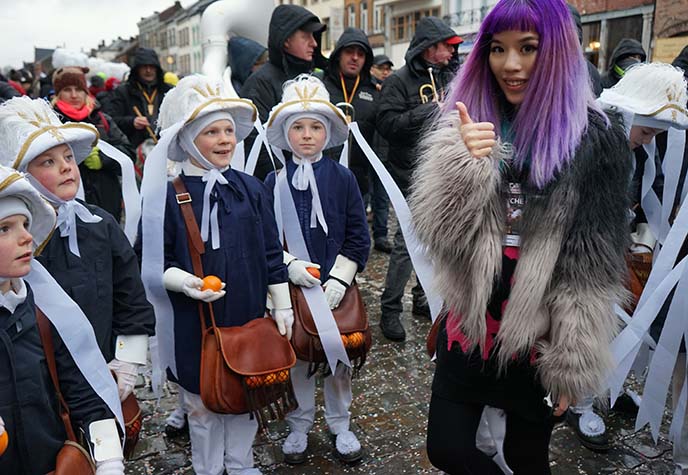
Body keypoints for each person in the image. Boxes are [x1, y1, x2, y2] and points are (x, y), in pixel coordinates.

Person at [410, 0, 632, 473]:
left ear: (556, 51)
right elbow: (438, 236)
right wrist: (466, 165)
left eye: (528, 48)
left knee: (525, 454)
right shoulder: (466, 121)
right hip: (469, 316)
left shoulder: (596, 139)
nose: (510, 65)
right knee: (447, 447)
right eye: (498, 49)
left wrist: (572, 358)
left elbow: (590, 263)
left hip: (539, 325)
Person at [140, 74, 294, 475]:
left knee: (247, 389)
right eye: (212, 132)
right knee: (200, 399)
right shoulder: (167, 196)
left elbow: (270, 249)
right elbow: (154, 258)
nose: (226, 139)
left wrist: (281, 302)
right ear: (189, 138)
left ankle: (240, 463)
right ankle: (208, 467)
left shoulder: (250, 187)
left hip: (246, 310)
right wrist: (186, 283)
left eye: (229, 130)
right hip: (196, 319)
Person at [0, 95, 155, 405]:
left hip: (103, 365)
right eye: (48, 162)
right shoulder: (17, 240)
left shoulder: (100, 222)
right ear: (23, 173)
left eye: (69, 157)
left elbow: (129, 292)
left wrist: (129, 356)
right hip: (42, 386)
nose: (66, 168)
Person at [264, 74, 370, 465]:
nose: (307, 135)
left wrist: (340, 279)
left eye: (315, 127)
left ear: (327, 133)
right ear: (285, 133)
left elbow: (359, 236)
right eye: (298, 127)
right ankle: (298, 423)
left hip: (333, 289)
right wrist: (288, 266)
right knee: (299, 359)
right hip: (291, 291)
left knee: (337, 358)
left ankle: (341, 423)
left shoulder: (343, 178)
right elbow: (266, 237)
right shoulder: (272, 182)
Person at [0, 165, 124, 475]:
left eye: (26, 224)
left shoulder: (43, 312)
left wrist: (109, 460)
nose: (27, 237)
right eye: (5, 228)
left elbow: (82, 389)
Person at [377, 16, 462, 341]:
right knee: (405, 245)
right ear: (429, 48)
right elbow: (387, 124)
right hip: (408, 173)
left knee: (437, 242)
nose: (451, 53)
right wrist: (429, 110)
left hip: (440, 172)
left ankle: (422, 298)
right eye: (446, 46)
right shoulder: (399, 81)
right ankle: (390, 308)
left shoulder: (453, 76)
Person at [240, 4, 328, 180]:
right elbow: (256, 141)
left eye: (314, 36)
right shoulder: (260, 82)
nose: (314, 43)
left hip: (315, 179)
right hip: (279, 189)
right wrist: (283, 181)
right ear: (286, 40)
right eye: (306, 36)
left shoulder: (312, 78)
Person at [52, 66, 134, 222]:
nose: (74, 95)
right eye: (67, 89)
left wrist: (104, 159)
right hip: (63, 209)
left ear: (86, 92)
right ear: (58, 94)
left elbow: (129, 154)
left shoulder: (102, 120)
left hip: (106, 207)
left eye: (79, 89)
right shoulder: (50, 123)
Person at [322, 27, 379, 198]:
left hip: (358, 181)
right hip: (324, 176)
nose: (355, 58)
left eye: (361, 54)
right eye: (349, 52)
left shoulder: (374, 91)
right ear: (339, 54)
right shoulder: (321, 87)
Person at [105, 48, 173, 148]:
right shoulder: (122, 92)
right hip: (135, 149)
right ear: (137, 69)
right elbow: (111, 120)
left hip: (164, 147)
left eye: (151, 66)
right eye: (144, 67)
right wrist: (132, 121)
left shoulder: (169, 91)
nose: (148, 70)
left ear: (157, 68)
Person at [369, 54, 394, 253]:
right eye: (381, 68)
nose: (385, 72)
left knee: (382, 197)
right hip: (365, 151)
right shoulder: (366, 88)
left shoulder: (392, 88)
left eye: (388, 68)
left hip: (384, 151)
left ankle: (381, 235)